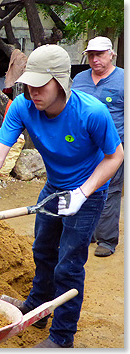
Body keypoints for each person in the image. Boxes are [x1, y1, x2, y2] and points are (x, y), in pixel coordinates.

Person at [0, 45, 123, 348]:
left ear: (60, 82)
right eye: (28, 83)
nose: (32, 91)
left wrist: (82, 194)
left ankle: (61, 338)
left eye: (40, 84)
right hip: (53, 189)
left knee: (68, 264)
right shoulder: (22, 106)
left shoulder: (91, 113)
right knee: (42, 251)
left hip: (88, 195)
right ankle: (37, 306)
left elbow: (115, 157)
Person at [72, 36, 124, 257]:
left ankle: (107, 239)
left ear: (111, 54)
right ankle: (89, 232)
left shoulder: (123, 79)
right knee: (84, 187)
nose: (94, 60)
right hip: (85, 147)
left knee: (110, 190)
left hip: (113, 147)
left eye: (99, 55)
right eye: (91, 55)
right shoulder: (80, 79)